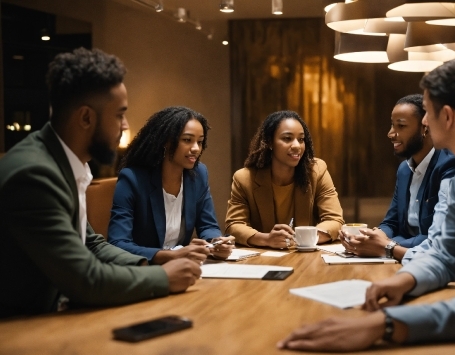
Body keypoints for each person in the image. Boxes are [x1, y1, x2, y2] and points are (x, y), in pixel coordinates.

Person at [278, 55, 455, 355]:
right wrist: (402, 280)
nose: (424, 122)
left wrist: (386, 323)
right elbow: (446, 253)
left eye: (428, 112)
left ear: (446, 116)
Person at [0, 48, 201, 318]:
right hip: (21, 328)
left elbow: (91, 244)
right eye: (119, 115)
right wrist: (162, 278)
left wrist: (155, 260)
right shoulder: (35, 175)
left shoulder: (61, 162)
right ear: (86, 117)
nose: (124, 125)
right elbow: (86, 279)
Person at [340, 94, 455, 263]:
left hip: (431, 264)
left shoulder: (448, 165)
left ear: (425, 127)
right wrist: (369, 238)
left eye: (401, 126)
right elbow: (391, 222)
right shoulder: (404, 169)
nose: (390, 134)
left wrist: (388, 245)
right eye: (392, 125)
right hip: (402, 260)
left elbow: (436, 238)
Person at [108, 106, 234, 264]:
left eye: (200, 142)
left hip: (183, 267)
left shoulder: (199, 174)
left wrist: (216, 243)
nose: (196, 148)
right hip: (143, 271)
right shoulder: (132, 178)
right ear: (166, 142)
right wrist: (170, 255)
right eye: (187, 140)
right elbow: (117, 243)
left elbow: (208, 225)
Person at [225, 110, 344, 249]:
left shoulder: (317, 171)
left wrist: (303, 238)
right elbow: (233, 225)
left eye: (301, 139)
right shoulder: (244, 179)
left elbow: (335, 220)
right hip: (263, 259)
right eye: (287, 138)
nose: (297, 146)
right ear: (269, 142)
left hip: (306, 257)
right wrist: (266, 239)